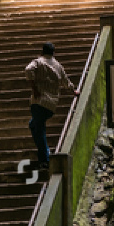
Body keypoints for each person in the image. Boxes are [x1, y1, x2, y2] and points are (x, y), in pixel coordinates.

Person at [24, 42, 76, 170]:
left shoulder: (38, 61)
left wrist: (34, 87)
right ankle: (45, 152)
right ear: (53, 53)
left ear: (42, 51)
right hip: (51, 105)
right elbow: (66, 81)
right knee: (33, 125)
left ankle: (45, 160)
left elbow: (28, 70)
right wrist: (74, 91)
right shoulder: (58, 65)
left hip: (39, 101)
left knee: (40, 129)